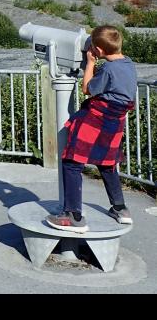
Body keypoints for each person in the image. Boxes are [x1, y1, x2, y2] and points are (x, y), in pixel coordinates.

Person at [45, 25, 137, 233]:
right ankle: (120, 209)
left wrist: (90, 63)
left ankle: (73, 216)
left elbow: (87, 89)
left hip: (96, 119)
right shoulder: (129, 64)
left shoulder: (108, 69)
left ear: (99, 51)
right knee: (107, 164)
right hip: (115, 122)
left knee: (72, 162)